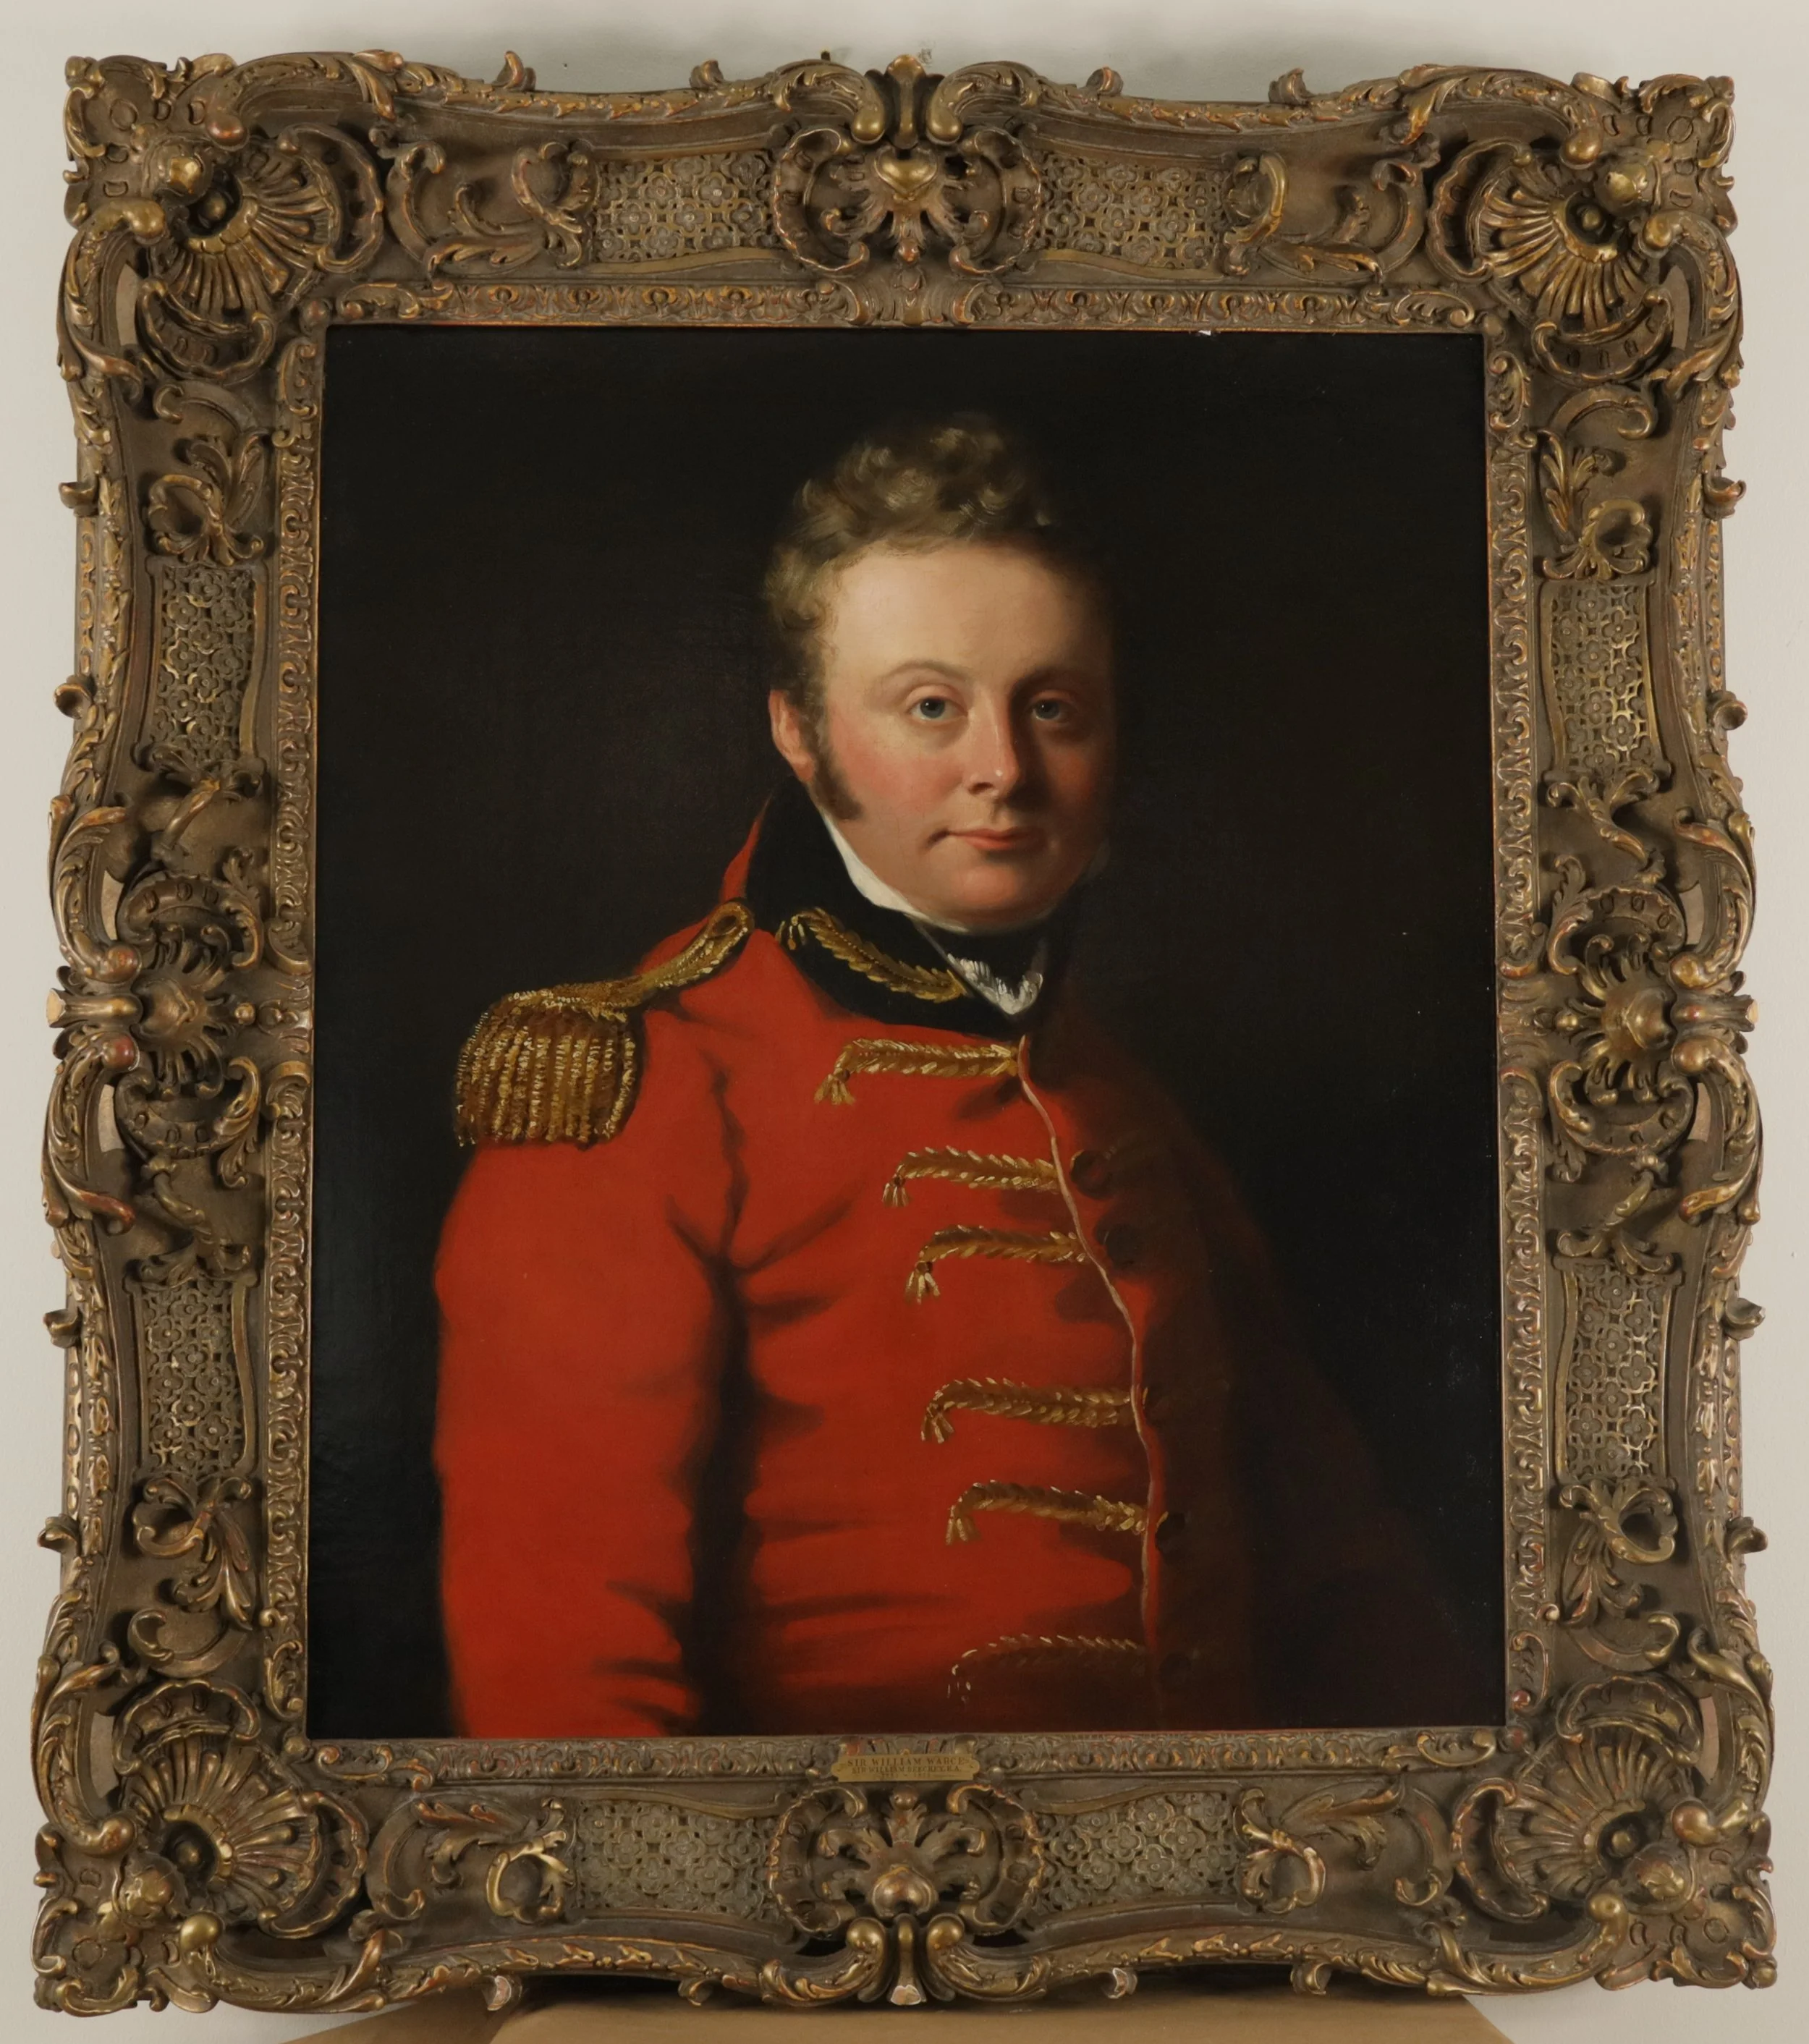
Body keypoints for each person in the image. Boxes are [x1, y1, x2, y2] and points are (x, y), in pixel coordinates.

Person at [433, 416, 1473, 1739]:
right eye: (931, 706)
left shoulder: (1111, 1096)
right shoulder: (640, 1085)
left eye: (1053, 708)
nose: (1005, 770)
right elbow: (558, 1676)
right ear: (799, 731)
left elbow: (1342, 1575)